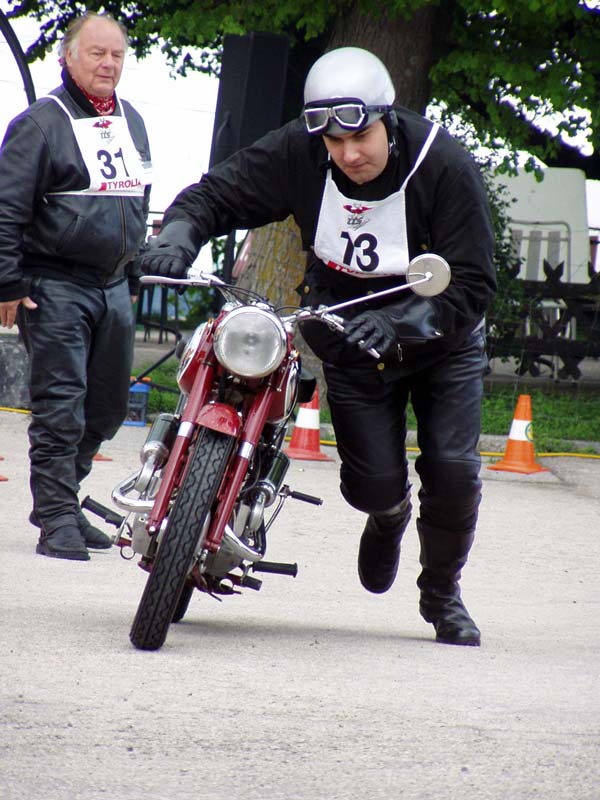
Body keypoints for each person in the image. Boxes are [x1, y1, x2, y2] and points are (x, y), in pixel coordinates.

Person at [134, 47, 496, 646]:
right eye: (334, 142)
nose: (349, 155)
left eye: (361, 137)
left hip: (440, 336)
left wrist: (403, 321)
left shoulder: (444, 164)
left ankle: (441, 594)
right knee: (372, 484)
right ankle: (388, 515)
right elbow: (215, 195)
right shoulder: (298, 154)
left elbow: (474, 283)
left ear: (387, 120)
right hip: (347, 333)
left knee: (453, 471)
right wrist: (179, 235)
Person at [0, 12, 152, 561]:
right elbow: (6, 208)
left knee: (108, 408)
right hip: (56, 283)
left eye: (117, 55)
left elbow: (138, 197)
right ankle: (58, 517)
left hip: (112, 285)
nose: (108, 64)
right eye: (96, 53)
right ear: (68, 57)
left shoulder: (132, 120)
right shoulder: (41, 123)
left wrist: (133, 271)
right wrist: (7, 282)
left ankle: (59, 499)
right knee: (61, 405)